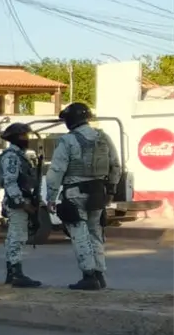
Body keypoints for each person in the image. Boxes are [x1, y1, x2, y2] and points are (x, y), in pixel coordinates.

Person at [44, 102, 122, 290]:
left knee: (79, 234)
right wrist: (110, 191)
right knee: (96, 233)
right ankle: (99, 274)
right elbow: (116, 165)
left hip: (75, 191)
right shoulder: (103, 137)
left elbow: (56, 170)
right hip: (98, 191)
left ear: (70, 120)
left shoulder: (67, 140)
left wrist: (51, 197)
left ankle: (88, 276)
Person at [0, 123, 42, 288]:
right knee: (17, 237)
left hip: (21, 200)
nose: (27, 139)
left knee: (15, 237)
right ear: (16, 138)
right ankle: (16, 273)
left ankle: (13, 272)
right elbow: (10, 182)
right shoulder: (12, 156)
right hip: (18, 203)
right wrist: (22, 203)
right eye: (24, 136)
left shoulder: (19, 155)